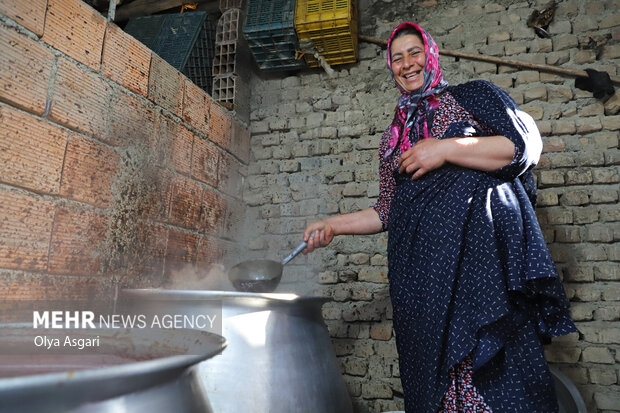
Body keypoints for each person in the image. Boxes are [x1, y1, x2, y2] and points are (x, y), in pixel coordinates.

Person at [303, 22, 576, 413]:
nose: (406, 64)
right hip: (422, 279)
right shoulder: (392, 138)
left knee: (499, 373)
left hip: (479, 270)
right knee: (436, 382)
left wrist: (444, 149)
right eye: (397, 58)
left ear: (430, 55)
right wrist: (332, 224)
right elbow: (387, 210)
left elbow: (521, 147)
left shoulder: (471, 98)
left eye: (414, 52)